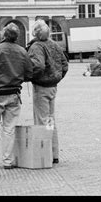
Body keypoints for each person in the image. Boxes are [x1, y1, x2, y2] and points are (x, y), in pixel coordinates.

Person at [0, 22, 33, 169]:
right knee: (9, 128)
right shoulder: (22, 52)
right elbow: (29, 73)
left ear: (4, 35)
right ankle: (8, 161)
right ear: (17, 37)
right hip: (14, 93)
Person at [26, 19, 69, 164]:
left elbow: (37, 66)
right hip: (53, 86)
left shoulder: (37, 46)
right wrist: (57, 78)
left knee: (41, 120)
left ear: (35, 32)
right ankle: (54, 153)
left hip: (42, 87)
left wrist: (29, 76)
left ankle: (44, 154)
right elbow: (64, 64)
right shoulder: (54, 45)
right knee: (51, 120)